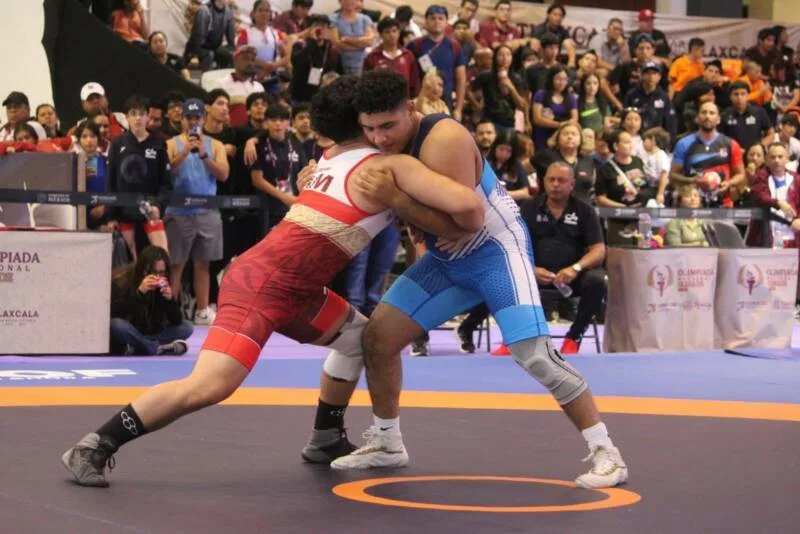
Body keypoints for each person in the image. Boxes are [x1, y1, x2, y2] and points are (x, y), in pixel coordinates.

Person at [61, 75, 485, 487]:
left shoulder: (330, 156)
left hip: (292, 287)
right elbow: (468, 211)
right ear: (364, 123)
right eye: (379, 125)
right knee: (209, 385)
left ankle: (326, 437)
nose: (385, 134)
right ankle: (95, 445)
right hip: (263, 285)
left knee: (362, 340)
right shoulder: (388, 165)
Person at [326, 71, 628, 490]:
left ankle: (606, 452)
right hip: (445, 260)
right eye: (370, 128)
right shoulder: (378, 139)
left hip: (493, 252)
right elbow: (337, 160)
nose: (379, 138)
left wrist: (397, 200)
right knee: (377, 338)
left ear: (411, 109)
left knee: (534, 355)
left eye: (388, 126)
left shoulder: (443, 137)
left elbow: (465, 225)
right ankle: (387, 441)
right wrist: (314, 173)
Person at [521, 162, 606, 354]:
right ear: (544, 182)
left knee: (597, 281)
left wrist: (576, 268)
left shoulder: (585, 211)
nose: (555, 184)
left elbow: (599, 250)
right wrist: (530, 268)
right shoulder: (529, 208)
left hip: (571, 277)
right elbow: (514, 246)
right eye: (551, 180)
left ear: (571, 185)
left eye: (561, 180)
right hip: (535, 275)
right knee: (505, 276)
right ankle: (516, 338)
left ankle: (574, 337)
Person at [109, 246, 194, 356]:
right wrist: (139, 293)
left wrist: (170, 301)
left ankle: (140, 346)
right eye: (153, 272)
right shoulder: (122, 280)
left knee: (186, 327)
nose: (158, 277)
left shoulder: (165, 281)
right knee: (116, 325)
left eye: (162, 272)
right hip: (130, 328)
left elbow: (176, 321)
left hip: (149, 332)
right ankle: (155, 347)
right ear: (143, 269)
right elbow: (115, 313)